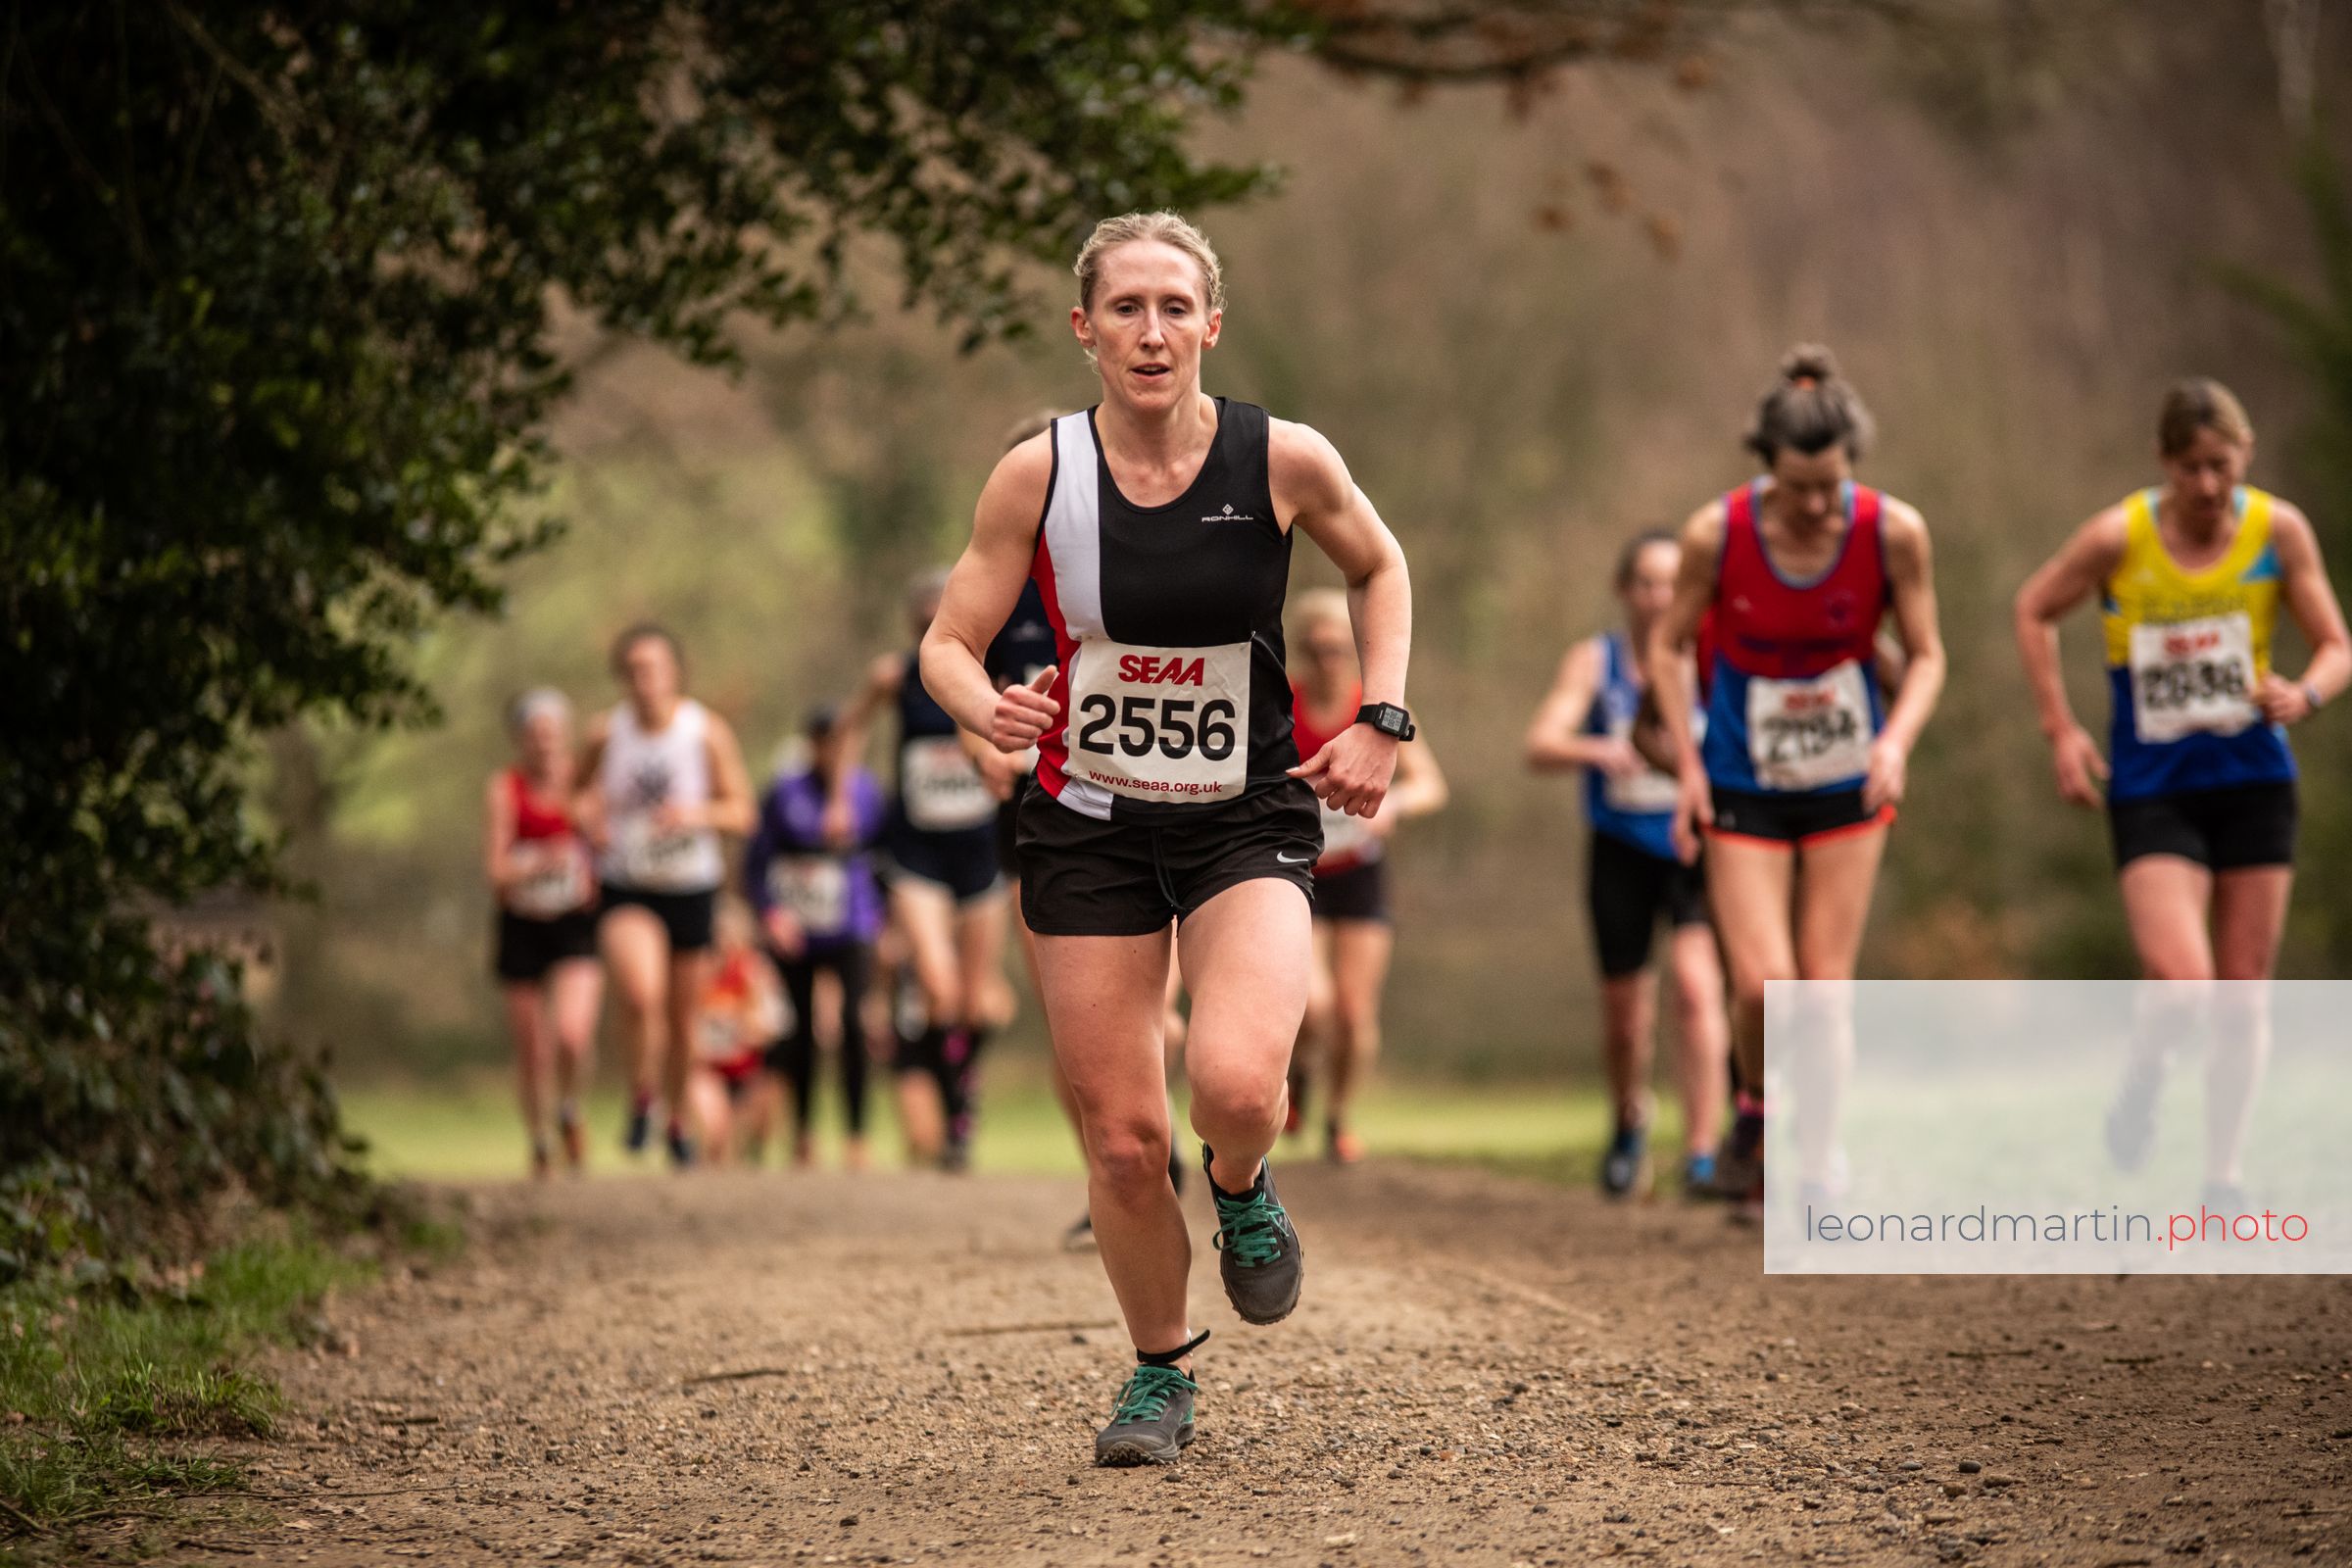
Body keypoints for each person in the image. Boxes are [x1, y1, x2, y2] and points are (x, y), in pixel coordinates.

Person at [919, 210, 1412, 1465]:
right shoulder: (1037, 474)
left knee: (1237, 1087)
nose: (1152, 332)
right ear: (1085, 329)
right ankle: (1159, 1372)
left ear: (1211, 325)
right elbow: (948, 644)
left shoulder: (1281, 457)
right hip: (1087, 827)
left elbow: (1380, 565)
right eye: (1126, 309)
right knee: (1127, 1144)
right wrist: (987, 707)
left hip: (1243, 818)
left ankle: (1242, 1185)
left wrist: (1382, 717)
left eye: (1175, 307)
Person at [2014, 379, 2347, 1199]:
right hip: (2154, 788)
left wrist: (2305, 693)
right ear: (2163, 462)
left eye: (2221, 466)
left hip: (2255, 782)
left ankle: (2222, 1176)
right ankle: (2145, 1078)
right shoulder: (2118, 537)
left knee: (2242, 995)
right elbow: (2034, 609)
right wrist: (2060, 729)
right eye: (2190, 467)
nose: (2206, 485)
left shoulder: (2279, 531)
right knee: (2182, 982)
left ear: (2246, 456)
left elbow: (2337, 645)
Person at [1648, 346, 1946, 1218]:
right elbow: (1668, 646)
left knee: (1820, 989)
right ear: (1766, 467)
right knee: (1761, 985)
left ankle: (1816, 1169)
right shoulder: (1718, 534)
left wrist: (1897, 741)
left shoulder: (1895, 533)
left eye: (1832, 486)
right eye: (1798, 488)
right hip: (1743, 778)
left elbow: (1928, 655)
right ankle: (1755, 1107)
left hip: (1847, 779)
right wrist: (1690, 764)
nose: (1817, 506)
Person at [1525, 531, 1729, 1198]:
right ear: (1624, 590)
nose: (1660, 597)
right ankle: (1629, 1120)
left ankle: (1702, 1153)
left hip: (1695, 850)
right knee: (1626, 1018)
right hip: (1619, 851)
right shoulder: (1595, 661)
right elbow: (1540, 742)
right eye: (1646, 583)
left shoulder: (1711, 658)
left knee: (1697, 992)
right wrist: (1595, 751)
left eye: (1672, 583)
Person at [840, 570, 1017, 1170]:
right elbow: (850, 730)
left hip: (981, 852)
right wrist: (842, 794)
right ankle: (953, 1118)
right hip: (916, 852)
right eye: (921, 616)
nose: (930, 622)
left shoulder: (992, 676)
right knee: (937, 989)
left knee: (972, 1000)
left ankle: (961, 1103)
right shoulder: (894, 676)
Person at [577, 624, 756, 1167]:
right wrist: (589, 820)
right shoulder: (606, 733)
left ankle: (677, 1119)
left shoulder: (705, 732)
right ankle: (642, 1097)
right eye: (633, 671)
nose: (644, 680)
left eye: (652, 668)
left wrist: (695, 815)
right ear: (622, 678)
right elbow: (573, 795)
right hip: (627, 883)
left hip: (690, 885)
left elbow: (742, 811)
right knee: (640, 994)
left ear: (674, 672)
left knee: (682, 1022)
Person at [1287, 588, 1447, 1164]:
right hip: (1297, 870)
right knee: (1314, 1005)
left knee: (1354, 1015)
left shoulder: (1378, 709)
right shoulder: (1282, 704)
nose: (1327, 659)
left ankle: (1338, 1119)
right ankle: (1300, 1070)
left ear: (1355, 650)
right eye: (1316, 648)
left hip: (1359, 872)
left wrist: (1395, 805)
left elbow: (1430, 784)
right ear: (1302, 650)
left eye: (1338, 647)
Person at [747, 706, 889, 1171]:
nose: (834, 751)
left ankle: (856, 1136)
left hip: (852, 924)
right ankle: (803, 1133)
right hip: (799, 928)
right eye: (825, 741)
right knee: (800, 1030)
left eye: (842, 741)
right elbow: (757, 860)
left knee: (852, 1023)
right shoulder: (784, 792)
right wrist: (770, 913)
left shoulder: (866, 792)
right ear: (812, 744)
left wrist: (888, 919)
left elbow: (886, 858)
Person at [484, 689, 603, 1178]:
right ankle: (538, 1139)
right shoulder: (504, 788)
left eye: (553, 732)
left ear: (566, 735)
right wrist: (537, 866)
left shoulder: (584, 784)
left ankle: (570, 1109)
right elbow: (495, 870)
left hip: (574, 922)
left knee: (572, 1036)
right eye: (535, 734)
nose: (545, 742)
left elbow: (608, 847)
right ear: (520, 739)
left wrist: (591, 837)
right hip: (522, 923)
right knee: (532, 1049)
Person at [684, 898, 786, 1166]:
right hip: (708, 1069)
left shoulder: (757, 973)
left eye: (729, 936)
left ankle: (749, 1150)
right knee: (717, 1138)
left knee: (762, 1115)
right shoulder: (691, 973)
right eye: (716, 937)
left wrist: (750, 1028)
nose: (722, 945)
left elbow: (775, 1026)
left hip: (748, 1071)